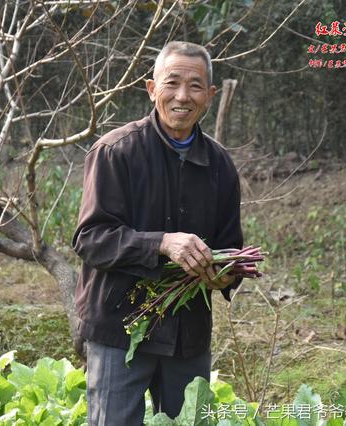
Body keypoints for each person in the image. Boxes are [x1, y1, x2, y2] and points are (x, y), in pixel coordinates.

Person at [72, 41, 243, 425]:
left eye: (196, 86)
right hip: (120, 327)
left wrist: (224, 274)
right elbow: (90, 239)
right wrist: (162, 244)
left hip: (188, 334)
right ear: (152, 89)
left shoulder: (220, 166)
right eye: (173, 83)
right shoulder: (116, 152)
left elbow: (231, 249)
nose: (183, 96)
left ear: (210, 96)